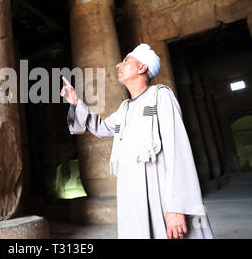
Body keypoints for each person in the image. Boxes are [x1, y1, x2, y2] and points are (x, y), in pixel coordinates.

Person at [60, 43, 214, 239]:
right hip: (133, 195)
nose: (118, 65)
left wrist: (177, 207)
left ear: (142, 68)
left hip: (160, 192)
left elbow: (178, 151)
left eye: (126, 61)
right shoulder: (125, 108)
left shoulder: (161, 96)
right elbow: (101, 128)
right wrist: (75, 102)